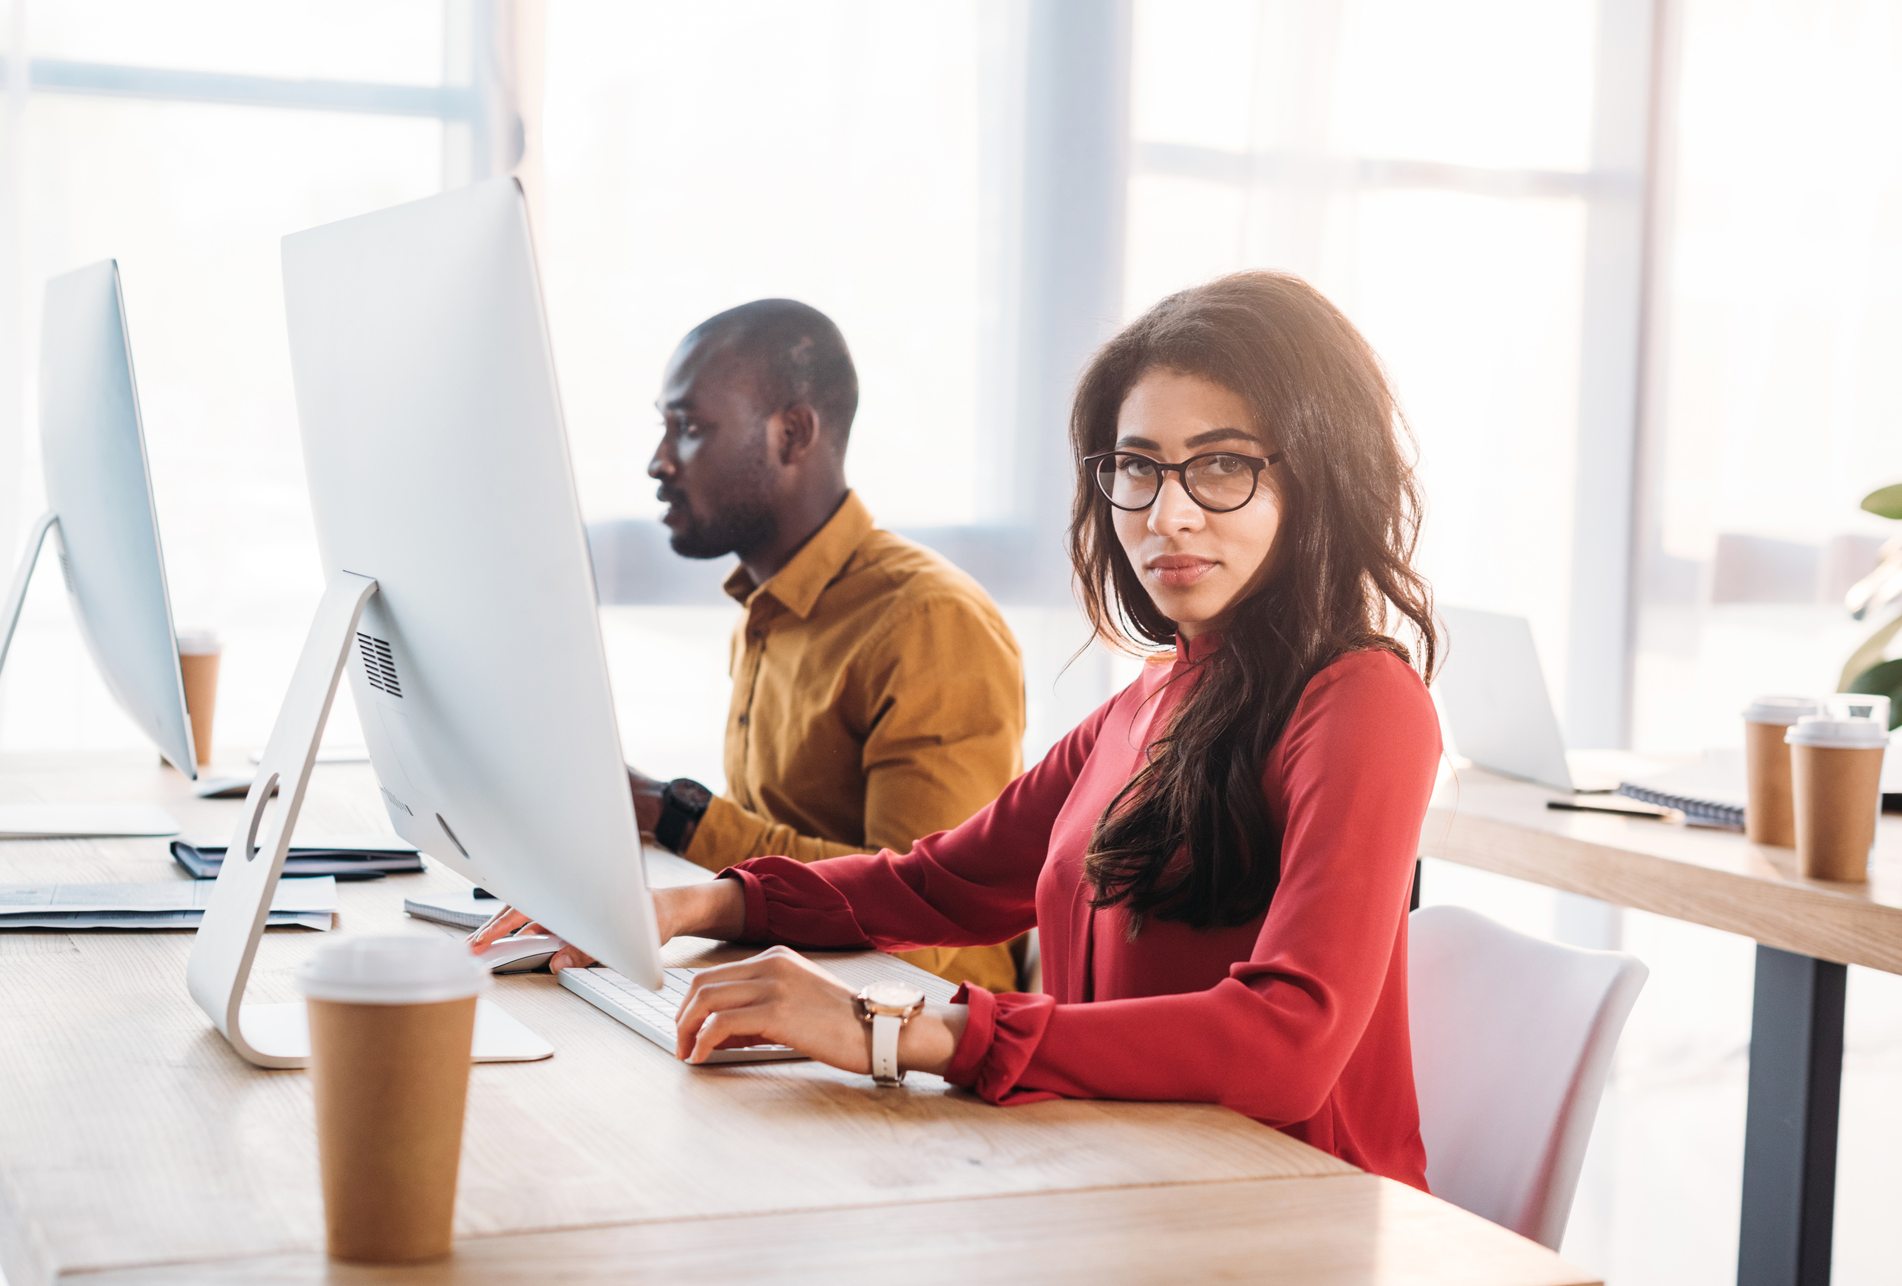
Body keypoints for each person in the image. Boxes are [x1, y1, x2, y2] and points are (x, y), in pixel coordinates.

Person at [479, 272, 1441, 1185]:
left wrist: (894, 1028)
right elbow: (938, 882)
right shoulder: (1149, 701)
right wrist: (686, 908)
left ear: (1319, 472)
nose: (1168, 515)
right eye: (1136, 468)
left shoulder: (1362, 703)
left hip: (1292, 1223)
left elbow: (1288, 1044)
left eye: (1222, 465)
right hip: (1115, 1175)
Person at [620, 298, 1027, 993]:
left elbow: (923, 918)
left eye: (688, 428)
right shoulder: (767, 601)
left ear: (793, 433)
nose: (659, 461)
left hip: (916, 1037)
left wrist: (674, 813)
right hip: (797, 987)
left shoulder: (926, 621)